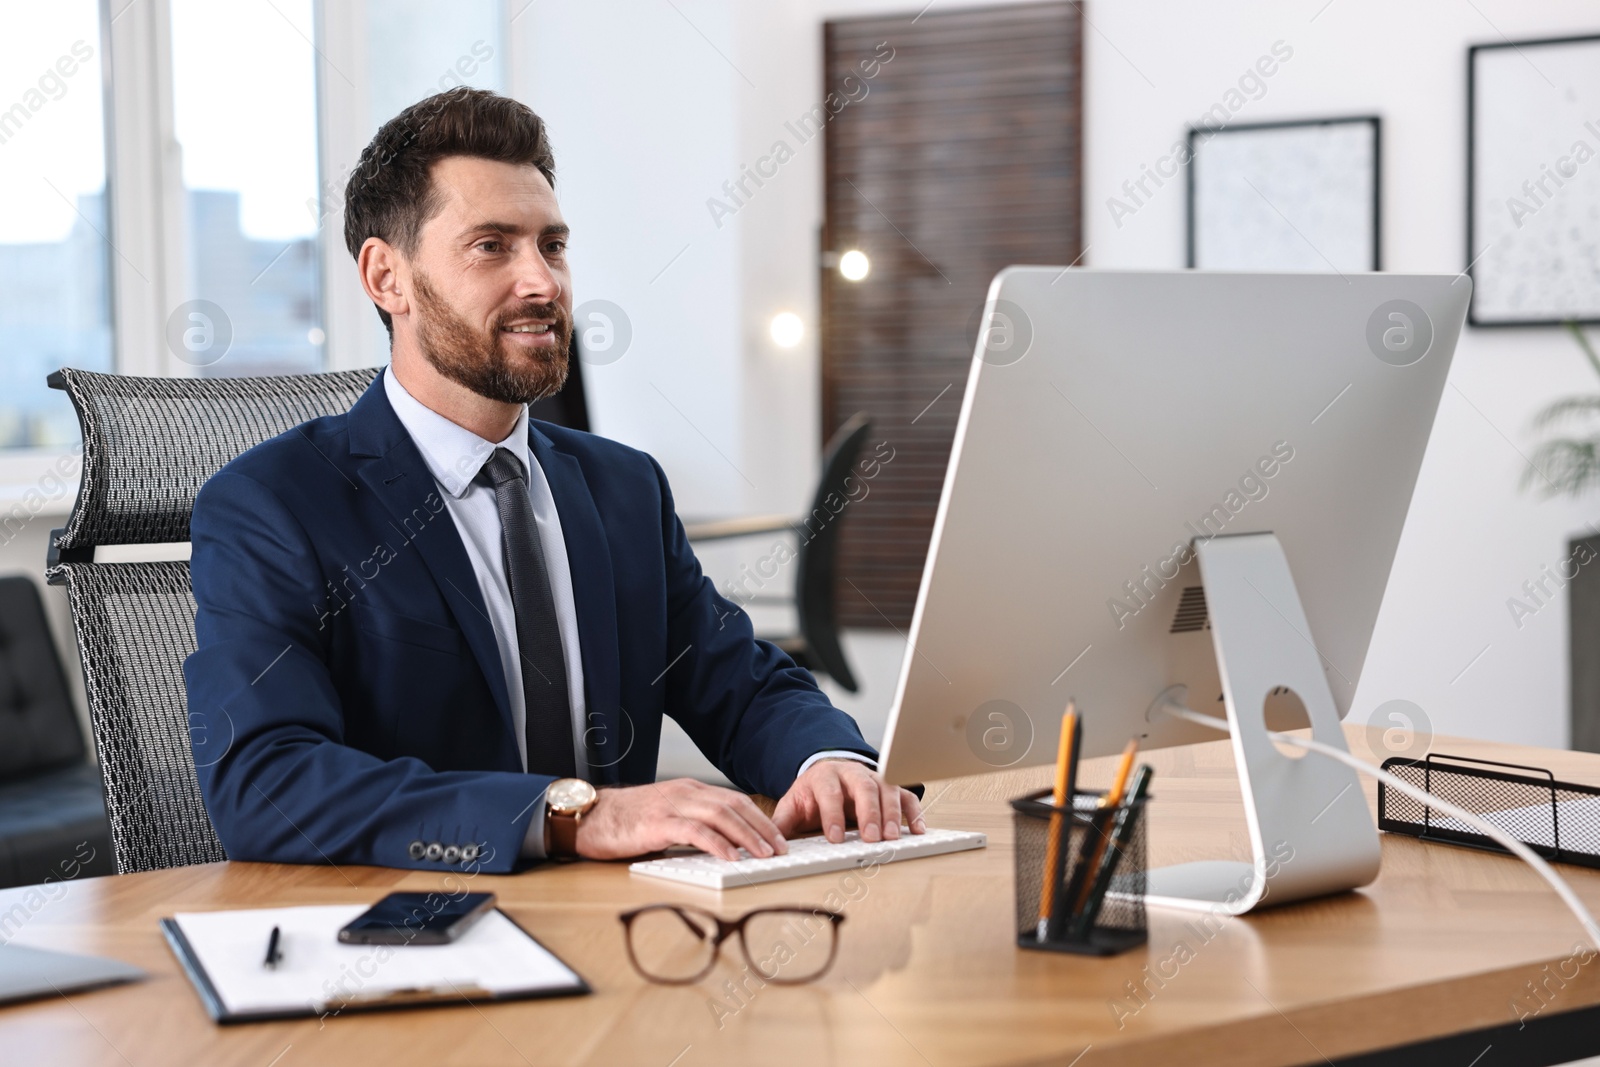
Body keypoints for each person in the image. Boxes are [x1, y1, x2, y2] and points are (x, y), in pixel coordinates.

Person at [184, 87, 923, 873]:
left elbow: (739, 682)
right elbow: (264, 781)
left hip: (624, 935)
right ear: (385, 278)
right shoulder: (274, 505)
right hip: (412, 940)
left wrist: (826, 761)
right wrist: (574, 815)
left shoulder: (622, 489)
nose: (543, 283)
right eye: (492, 246)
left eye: (553, 245)